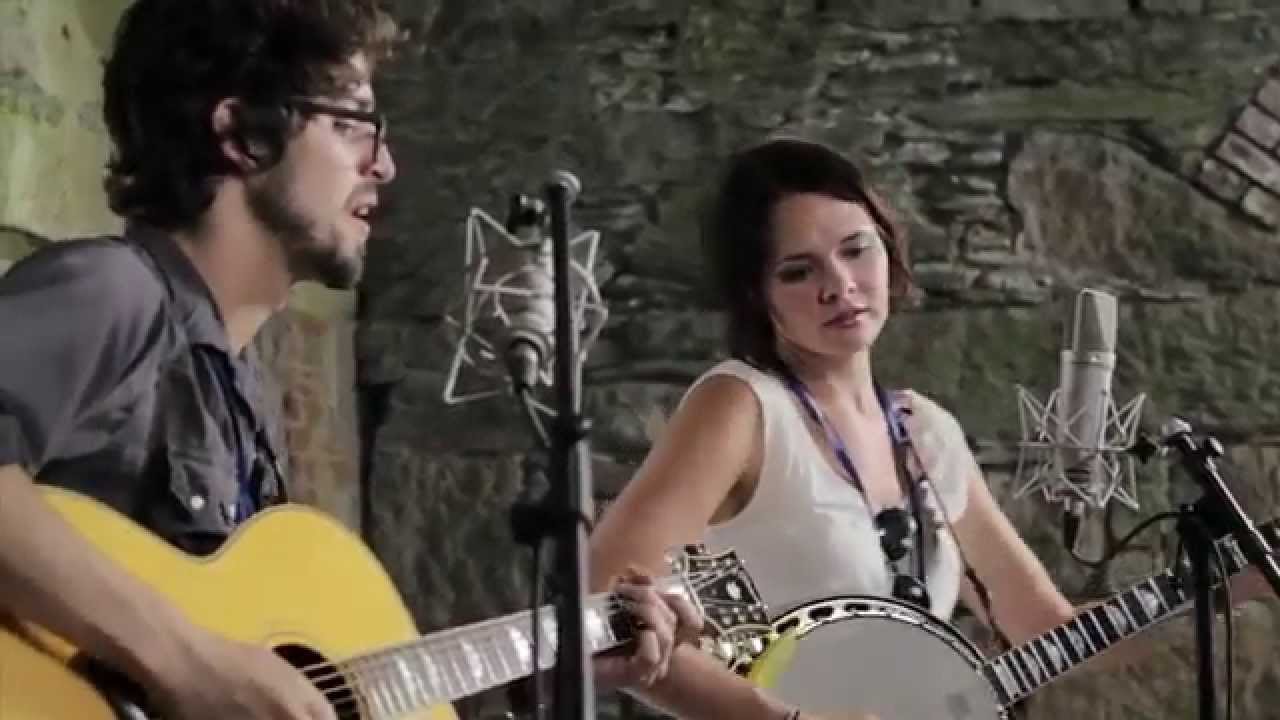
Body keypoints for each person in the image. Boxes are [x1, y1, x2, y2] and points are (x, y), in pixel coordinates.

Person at [0, 2, 698, 719]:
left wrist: (545, 679)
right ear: (242, 134)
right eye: (350, 124)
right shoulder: (112, 294)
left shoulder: (237, 392)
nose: (385, 165)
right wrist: (188, 660)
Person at [587, 137, 1270, 720]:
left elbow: (1044, 628)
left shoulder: (927, 431)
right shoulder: (741, 406)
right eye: (799, 271)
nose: (840, 285)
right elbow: (603, 609)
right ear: (756, 295)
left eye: (856, 251)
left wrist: (1236, 577)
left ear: (889, 250)